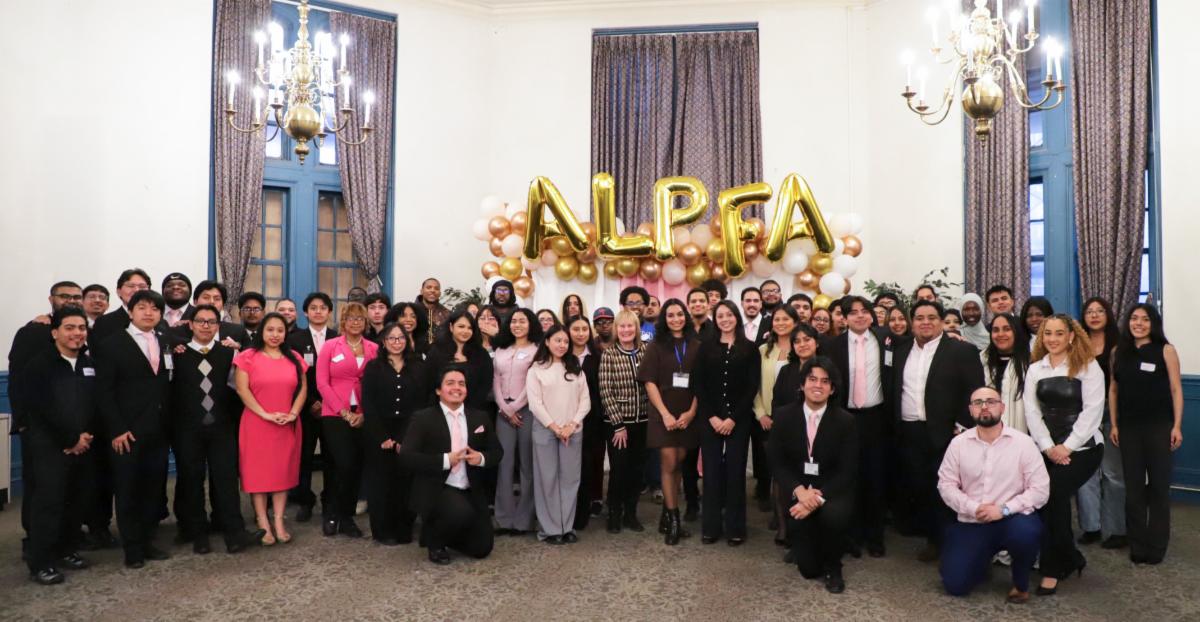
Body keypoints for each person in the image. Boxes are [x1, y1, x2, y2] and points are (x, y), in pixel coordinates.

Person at [892, 299, 985, 562]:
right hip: (910, 431)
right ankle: (933, 539)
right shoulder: (901, 350)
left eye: (932, 317)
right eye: (919, 318)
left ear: (942, 321)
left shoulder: (961, 351)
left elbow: (975, 391)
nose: (926, 322)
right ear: (912, 322)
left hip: (947, 433)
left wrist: (963, 426)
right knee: (920, 486)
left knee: (947, 489)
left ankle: (952, 543)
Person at [938, 387, 1049, 604]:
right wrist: (973, 508)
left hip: (1012, 519)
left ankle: (1020, 582)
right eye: (978, 403)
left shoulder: (1023, 443)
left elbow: (1040, 489)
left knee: (1027, 533)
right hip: (973, 520)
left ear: (1002, 407)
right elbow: (946, 484)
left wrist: (1003, 510)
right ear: (971, 410)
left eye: (990, 401)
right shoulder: (958, 444)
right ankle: (980, 562)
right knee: (955, 585)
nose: (984, 407)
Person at [171, 304, 263, 554]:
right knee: (191, 480)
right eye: (200, 321)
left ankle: (234, 533)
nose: (206, 326)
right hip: (187, 429)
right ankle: (198, 534)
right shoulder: (178, 353)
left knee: (226, 480)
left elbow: (239, 386)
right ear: (190, 325)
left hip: (221, 428)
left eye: (211, 322)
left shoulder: (228, 353)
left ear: (218, 326)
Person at [1023, 314, 1105, 595]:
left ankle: (1052, 568)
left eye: (1059, 333)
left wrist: (1066, 447)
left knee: (1054, 494)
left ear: (1071, 336)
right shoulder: (1035, 369)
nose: (1053, 339)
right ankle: (1069, 556)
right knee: (1048, 501)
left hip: (1083, 448)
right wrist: (1049, 447)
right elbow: (1032, 413)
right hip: (1047, 448)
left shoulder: (1088, 366)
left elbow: (1092, 412)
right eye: (1048, 333)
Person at [95, 289, 172, 568]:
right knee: (128, 490)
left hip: (159, 429)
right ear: (130, 311)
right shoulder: (111, 344)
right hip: (126, 432)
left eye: (155, 308)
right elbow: (104, 392)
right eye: (142, 307)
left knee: (153, 489)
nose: (148, 313)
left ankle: (148, 540)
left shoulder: (164, 340)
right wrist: (117, 429)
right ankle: (132, 549)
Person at [8, 281, 86, 553]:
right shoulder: (32, 334)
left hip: (79, 435)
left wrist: (82, 435)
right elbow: (21, 385)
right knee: (43, 495)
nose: (72, 300)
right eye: (65, 296)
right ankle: (38, 552)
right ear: (51, 299)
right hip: (42, 433)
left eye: (77, 296)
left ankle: (66, 547)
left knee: (72, 494)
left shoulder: (84, 353)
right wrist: (22, 422)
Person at [768, 357, 857, 594]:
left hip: (831, 490)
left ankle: (834, 566)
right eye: (812, 379)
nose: (818, 385)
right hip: (798, 488)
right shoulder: (783, 416)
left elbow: (847, 470)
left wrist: (816, 498)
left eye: (825, 381)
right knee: (808, 570)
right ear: (802, 384)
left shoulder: (846, 422)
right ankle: (806, 546)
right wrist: (799, 491)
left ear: (832, 389)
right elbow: (777, 462)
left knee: (833, 515)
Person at [21, 307, 97, 585]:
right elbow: (41, 409)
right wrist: (69, 439)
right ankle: (41, 562)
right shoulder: (40, 365)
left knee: (76, 501)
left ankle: (67, 549)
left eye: (81, 328)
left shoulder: (88, 362)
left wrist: (85, 436)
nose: (77, 333)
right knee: (48, 504)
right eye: (69, 327)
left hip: (82, 444)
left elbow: (93, 403)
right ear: (55, 332)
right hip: (50, 446)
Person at [400, 365, 502, 565]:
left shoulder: (480, 417)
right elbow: (407, 456)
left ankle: (442, 533)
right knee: (459, 511)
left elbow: (497, 452)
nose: (457, 388)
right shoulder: (423, 418)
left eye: (461, 384)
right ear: (438, 390)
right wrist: (445, 460)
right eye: (450, 383)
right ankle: (435, 541)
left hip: (470, 489)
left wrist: (481, 458)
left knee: (482, 548)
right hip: (437, 487)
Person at [1110, 303, 1183, 565]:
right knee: (1134, 489)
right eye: (1134, 318)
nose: (1138, 323)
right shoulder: (1118, 351)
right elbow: (1114, 390)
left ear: (1153, 324)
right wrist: (1114, 425)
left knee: (1160, 488)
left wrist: (1176, 425)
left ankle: (1157, 545)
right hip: (1129, 429)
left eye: (1145, 319)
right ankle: (1138, 544)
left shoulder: (1166, 350)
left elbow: (1176, 389)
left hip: (1159, 427)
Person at [233, 312, 307, 546]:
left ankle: (279, 520)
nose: (275, 334)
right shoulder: (247, 357)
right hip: (257, 422)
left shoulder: (294, 358)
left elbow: (303, 389)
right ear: (262, 332)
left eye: (280, 330)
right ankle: (262, 521)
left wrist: (293, 413)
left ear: (286, 334)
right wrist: (264, 414)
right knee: (258, 474)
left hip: (286, 422)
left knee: (282, 472)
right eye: (270, 329)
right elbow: (242, 390)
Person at [828, 296, 891, 558]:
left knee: (875, 477)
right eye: (853, 312)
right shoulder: (833, 346)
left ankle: (875, 537)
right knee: (848, 478)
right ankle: (851, 536)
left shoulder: (887, 340)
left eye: (865, 311)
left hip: (877, 418)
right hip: (846, 418)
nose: (860, 316)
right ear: (844, 318)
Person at [690, 300, 759, 545]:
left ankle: (735, 528)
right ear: (715, 319)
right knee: (710, 473)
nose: (725, 319)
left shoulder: (750, 349)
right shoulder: (705, 348)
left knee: (735, 472)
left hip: (738, 420)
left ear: (736, 317)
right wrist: (712, 416)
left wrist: (732, 418)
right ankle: (711, 527)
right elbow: (698, 384)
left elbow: (752, 387)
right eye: (720, 316)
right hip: (709, 419)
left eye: (729, 315)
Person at [637, 298, 701, 545]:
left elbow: (702, 383)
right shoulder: (656, 345)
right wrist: (664, 413)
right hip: (662, 412)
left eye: (680, 314)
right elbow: (649, 382)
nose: (676, 319)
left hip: (687, 413)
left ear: (686, 316)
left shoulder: (696, 345)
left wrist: (692, 412)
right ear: (664, 319)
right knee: (669, 462)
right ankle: (674, 520)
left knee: (679, 463)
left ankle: (667, 514)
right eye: (671, 315)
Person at [361, 322, 430, 545]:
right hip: (379, 431)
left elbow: (423, 403)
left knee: (405, 482)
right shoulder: (373, 367)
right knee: (381, 483)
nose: (396, 342)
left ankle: (403, 529)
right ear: (383, 341)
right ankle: (383, 530)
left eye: (400, 338)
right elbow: (368, 404)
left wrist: (405, 438)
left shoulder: (418, 366)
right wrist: (382, 437)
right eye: (391, 338)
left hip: (410, 430)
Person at [315, 302, 377, 538]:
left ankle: (347, 517)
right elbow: (322, 383)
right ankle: (332, 513)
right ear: (343, 321)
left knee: (357, 466)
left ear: (365, 322)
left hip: (363, 414)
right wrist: (343, 412)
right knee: (342, 464)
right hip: (335, 414)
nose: (355, 322)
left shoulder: (373, 348)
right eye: (351, 318)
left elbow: (377, 384)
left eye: (360, 318)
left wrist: (364, 414)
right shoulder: (331, 346)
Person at [525, 325, 591, 543]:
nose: (562, 345)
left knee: (570, 479)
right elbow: (535, 404)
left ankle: (566, 527)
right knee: (547, 479)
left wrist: (571, 425)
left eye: (565, 341)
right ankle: (550, 530)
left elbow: (585, 401)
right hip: (546, 430)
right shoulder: (536, 369)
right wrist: (555, 428)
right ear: (547, 342)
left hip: (572, 431)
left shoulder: (575, 368)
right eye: (557, 340)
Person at [1077, 296, 1126, 548]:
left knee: (1113, 473)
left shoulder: (1119, 344)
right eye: (1089, 311)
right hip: (1083, 412)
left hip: (1111, 412)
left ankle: (1117, 530)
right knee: (1086, 472)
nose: (1094, 315)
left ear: (1108, 314)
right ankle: (1091, 527)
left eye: (1099, 311)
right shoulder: (1076, 344)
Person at [285, 292, 338, 521]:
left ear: (329, 312)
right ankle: (305, 500)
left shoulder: (338, 338)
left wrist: (327, 402)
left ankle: (330, 501)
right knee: (304, 457)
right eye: (313, 308)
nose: (318, 311)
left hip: (333, 408)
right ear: (305, 313)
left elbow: (341, 376)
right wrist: (311, 402)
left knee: (331, 457)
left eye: (323, 308)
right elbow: (293, 376)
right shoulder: (294, 339)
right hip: (306, 408)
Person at [491, 308, 542, 536]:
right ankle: (504, 518)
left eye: (522, 321)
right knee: (504, 463)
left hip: (527, 410)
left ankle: (524, 520)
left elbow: (533, 382)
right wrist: (504, 407)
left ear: (530, 324)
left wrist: (515, 407)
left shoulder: (537, 350)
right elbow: (496, 380)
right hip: (503, 412)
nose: (517, 325)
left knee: (527, 464)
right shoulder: (501, 349)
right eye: (514, 321)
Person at [599, 310, 649, 534]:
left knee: (637, 471)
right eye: (622, 326)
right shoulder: (609, 354)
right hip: (618, 424)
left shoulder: (646, 351)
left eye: (630, 326)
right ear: (616, 330)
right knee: (619, 470)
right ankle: (614, 513)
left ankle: (631, 513)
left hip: (644, 421)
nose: (626, 330)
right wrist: (618, 426)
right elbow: (605, 391)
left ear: (636, 329)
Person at [753, 304, 801, 537]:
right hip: (768, 419)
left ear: (795, 322)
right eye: (777, 320)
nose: (780, 323)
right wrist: (761, 413)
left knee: (795, 469)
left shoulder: (802, 346)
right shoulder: (763, 350)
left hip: (798, 419)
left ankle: (796, 516)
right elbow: (754, 385)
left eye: (786, 319)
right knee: (776, 470)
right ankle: (779, 517)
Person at [567, 316, 605, 528]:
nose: (581, 333)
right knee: (571, 464)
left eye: (584, 329)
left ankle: (591, 501)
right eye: (576, 329)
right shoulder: (561, 355)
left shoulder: (597, 356)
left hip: (592, 418)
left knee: (591, 462)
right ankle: (571, 507)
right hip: (565, 418)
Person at [426, 307, 494, 410]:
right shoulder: (436, 352)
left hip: (474, 410)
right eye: (461, 326)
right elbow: (429, 383)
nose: (465, 331)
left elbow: (485, 384)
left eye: (469, 328)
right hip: (440, 410)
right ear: (451, 327)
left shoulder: (481, 354)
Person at [982, 314, 1031, 433]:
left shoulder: (1031, 363)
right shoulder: (981, 361)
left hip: (1023, 433)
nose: (1000, 334)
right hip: (987, 430)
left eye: (1007, 329)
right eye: (995, 330)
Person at [90, 268, 151, 346]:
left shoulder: (160, 323)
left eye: (142, 286)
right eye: (130, 286)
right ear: (119, 292)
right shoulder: (104, 323)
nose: (136, 290)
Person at [771, 324, 822, 410]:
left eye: (807, 340)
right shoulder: (785, 371)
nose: (802, 344)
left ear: (817, 343)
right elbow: (777, 403)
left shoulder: (827, 369)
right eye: (797, 341)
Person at [188, 280, 250, 349]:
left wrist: (239, 347)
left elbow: (253, 353)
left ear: (223, 305)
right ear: (195, 302)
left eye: (217, 299)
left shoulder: (238, 331)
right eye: (206, 297)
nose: (212, 302)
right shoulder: (182, 330)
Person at [417, 278, 449, 346]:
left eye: (436, 288)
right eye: (429, 287)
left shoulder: (447, 314)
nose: (432, 290)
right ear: (421, 291)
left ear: (440, 293)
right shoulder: (412, 312)